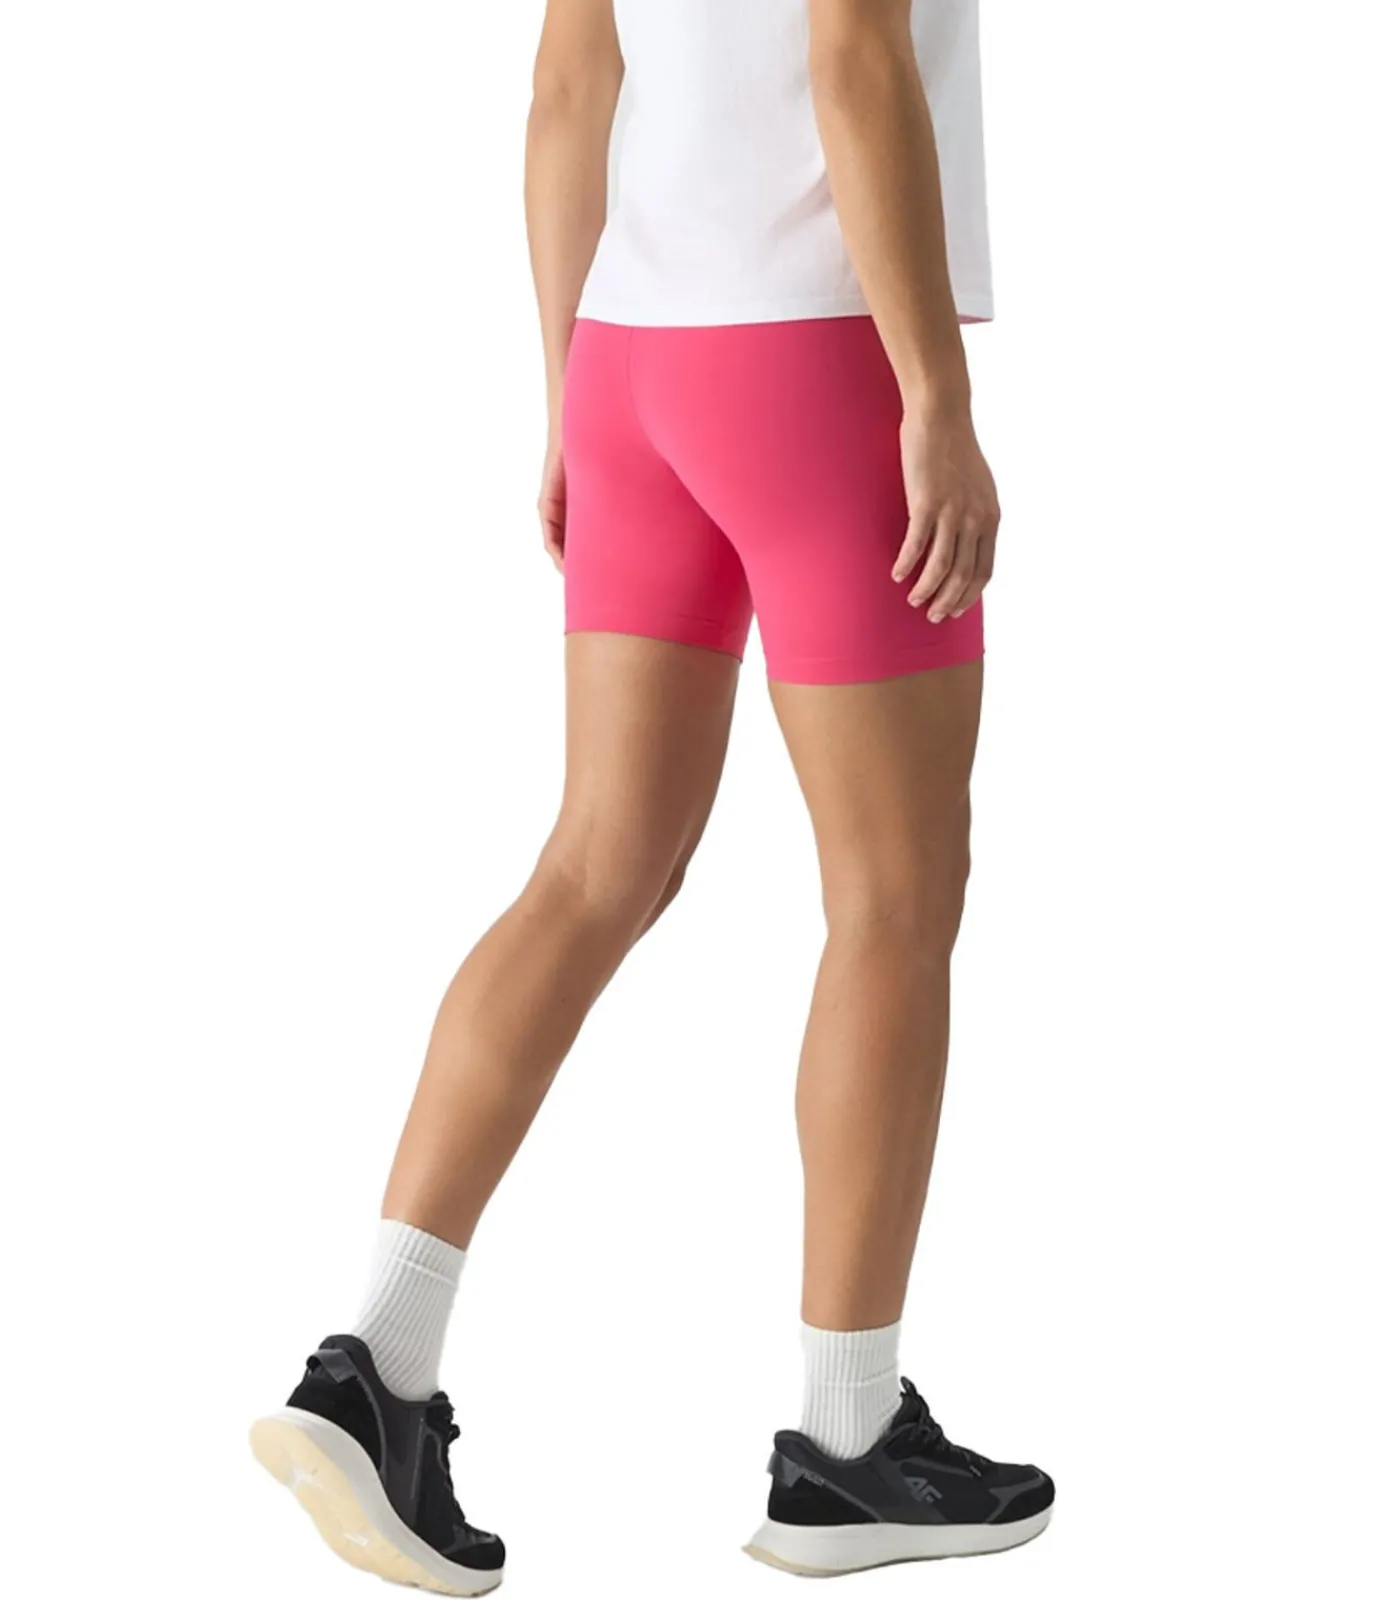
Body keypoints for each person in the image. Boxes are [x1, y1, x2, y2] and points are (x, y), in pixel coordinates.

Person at [250, 0, 1053, 1587]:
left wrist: (569, 394)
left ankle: (373, 1371)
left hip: (629, 356)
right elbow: (853, 58)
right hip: (815, 354)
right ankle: (848, 1446)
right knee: (895, 895)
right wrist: (935, 398)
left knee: (595, 864)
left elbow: (569, 79)